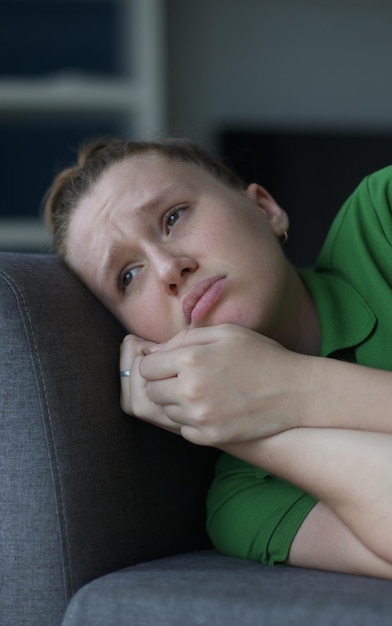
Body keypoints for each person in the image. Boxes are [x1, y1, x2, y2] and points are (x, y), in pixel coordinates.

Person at [44, 136, 392, 579]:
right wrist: (232, 429)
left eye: (173, 217)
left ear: (265, 210)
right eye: (128, 276)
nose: (169, 269)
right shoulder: (244, 501)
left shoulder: (384, 214)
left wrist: (294, 387)